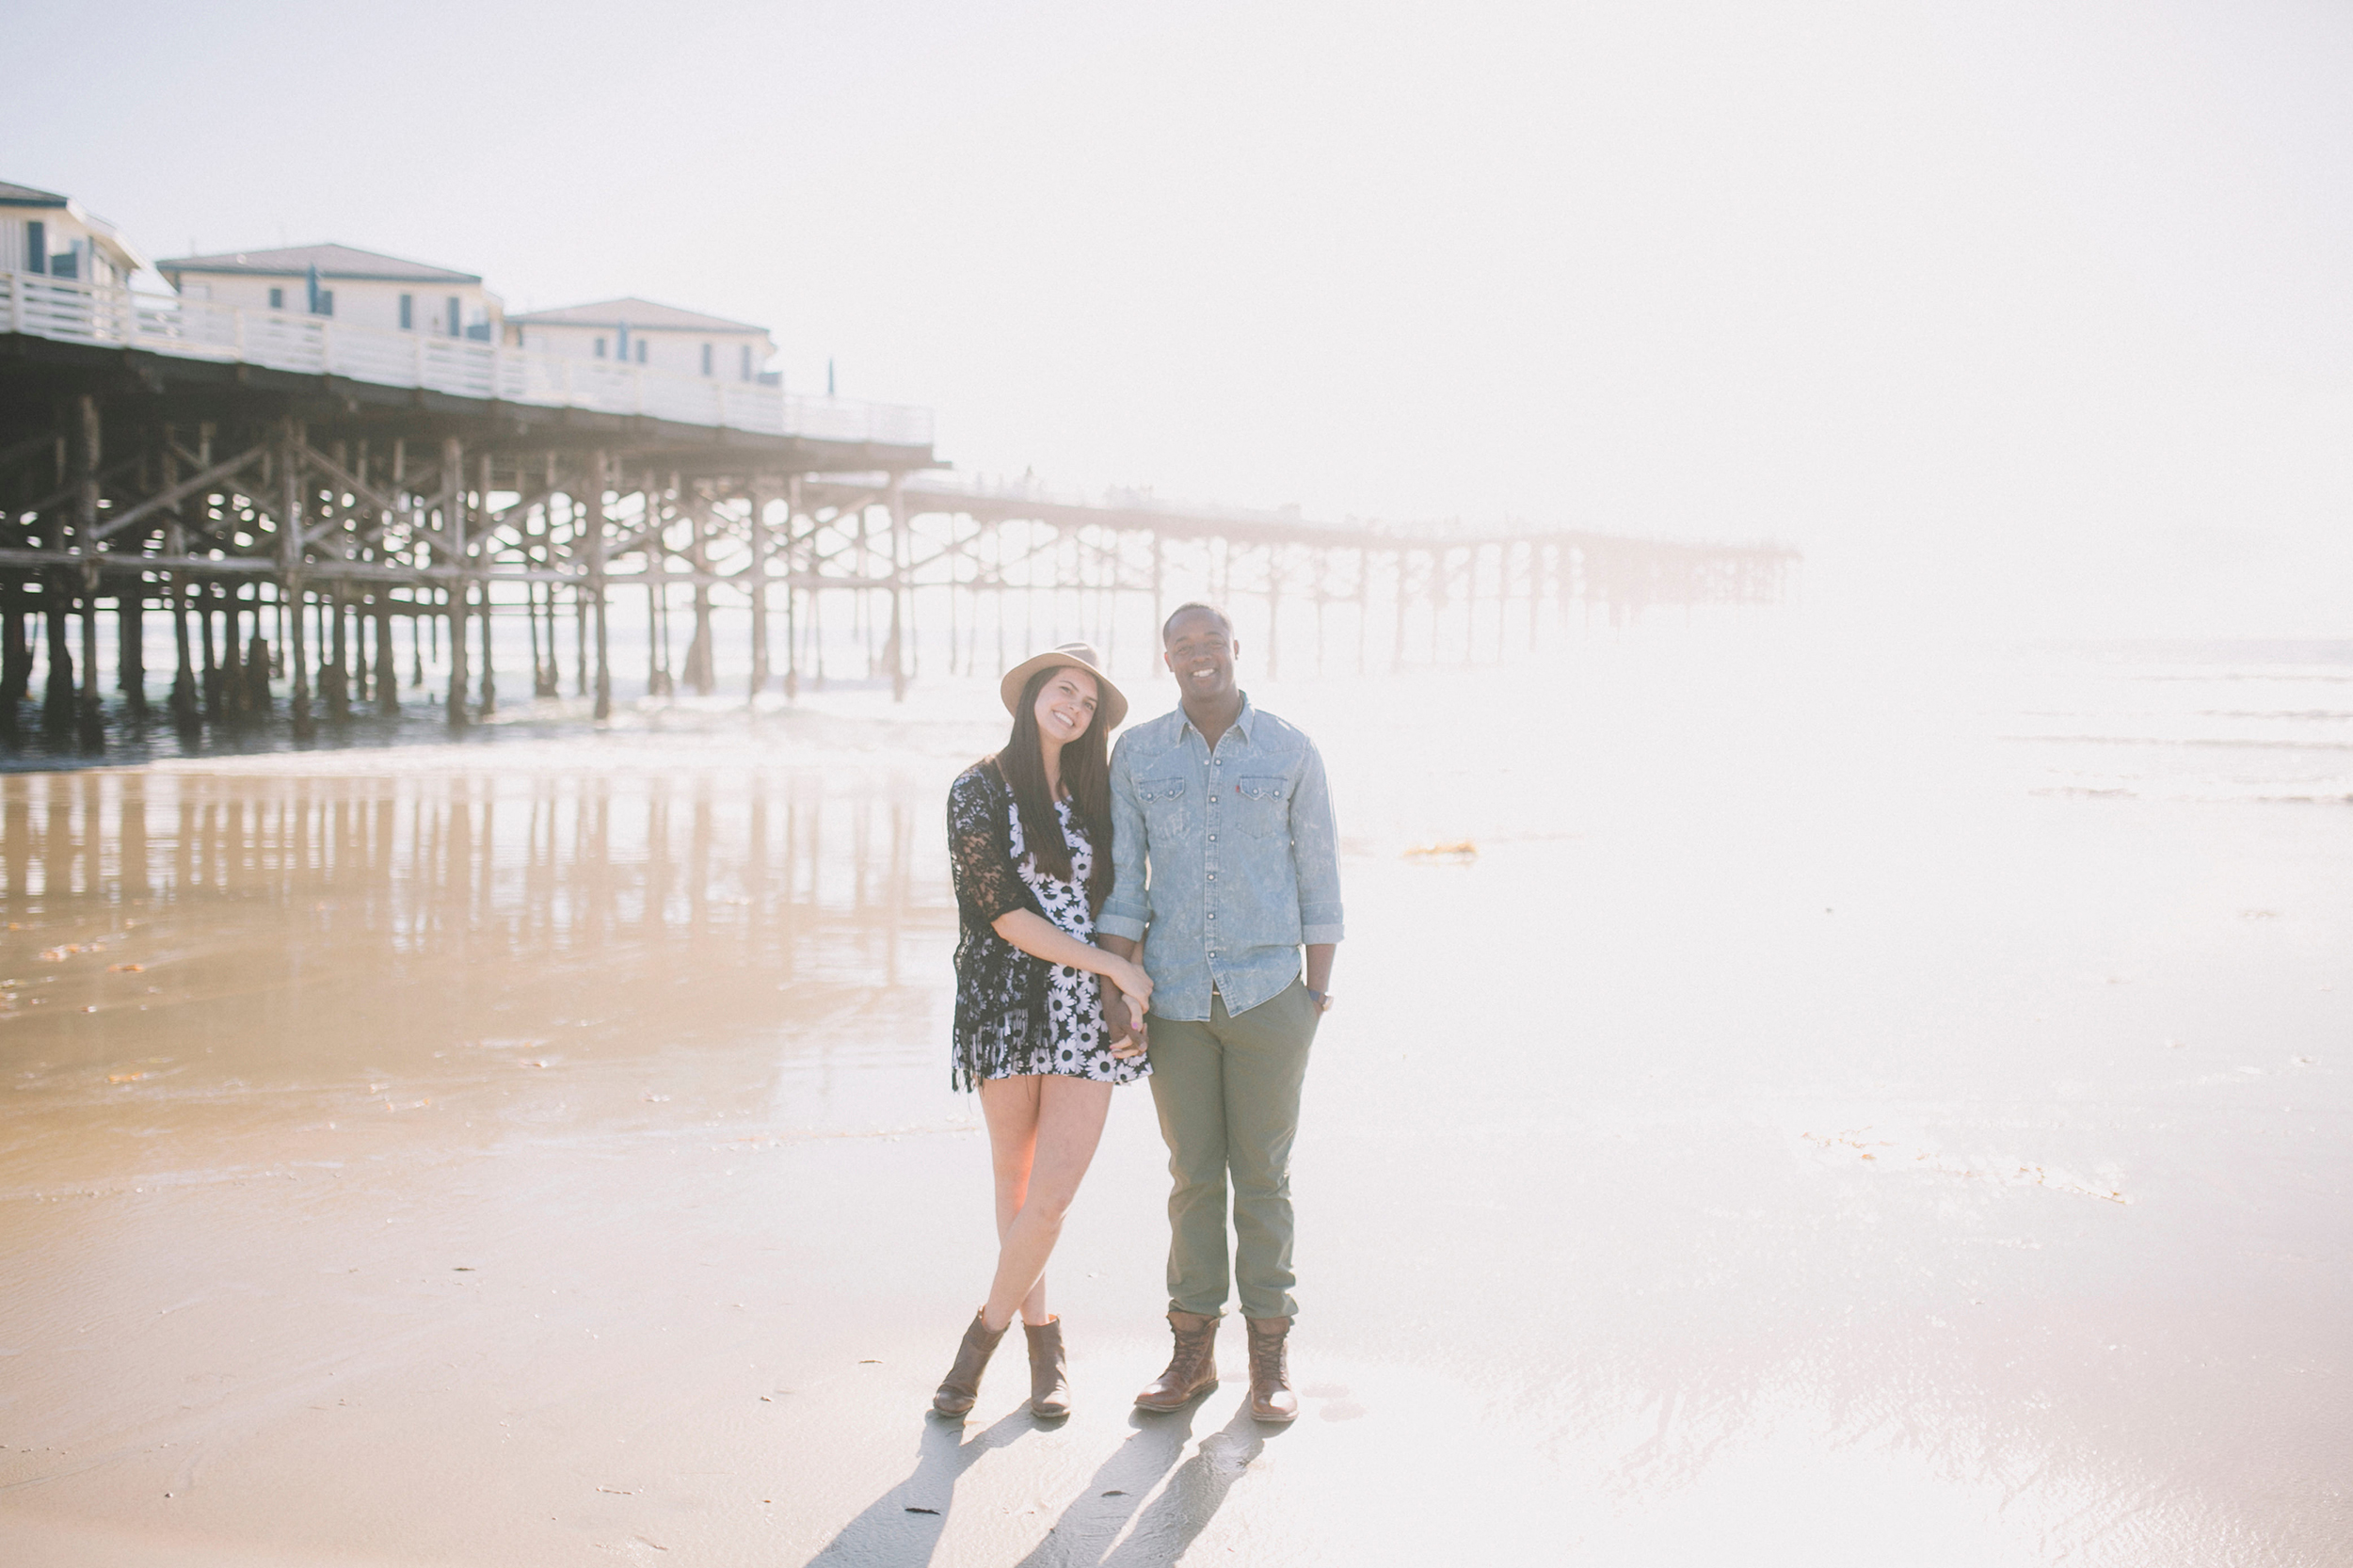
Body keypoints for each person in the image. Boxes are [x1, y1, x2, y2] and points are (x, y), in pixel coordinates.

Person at [1096, 602, 1343, 1424]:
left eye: (1211, 643)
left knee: (1264, 1178)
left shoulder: (1290, 748)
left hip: (1272, 994)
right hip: (1172, 997)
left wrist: (1315, 994)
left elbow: (1320, 876)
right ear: (1166, 660)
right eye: (1182, 646)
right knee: (1193, 1177)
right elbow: (1126, 881)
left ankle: (1269, 1361)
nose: (1199, 656)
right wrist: (1118, 991)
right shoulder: (1136, 753)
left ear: (1236, 649)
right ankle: (1191, 1354)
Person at [933, 642, 1155, 1420]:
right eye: (1066, 691)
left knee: (1051, 1197)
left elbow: (1129, 895)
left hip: (1087, 1011)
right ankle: (1043, 1349)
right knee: (1015, 1184)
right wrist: (1110, 965)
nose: (1076, 709)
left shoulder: (1098, 794)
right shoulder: (977, 789)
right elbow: (1002, 913)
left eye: (1090, 703)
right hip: (1006, 1000)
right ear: (1032, 694)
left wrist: (1121, 978)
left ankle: (982, 1339)